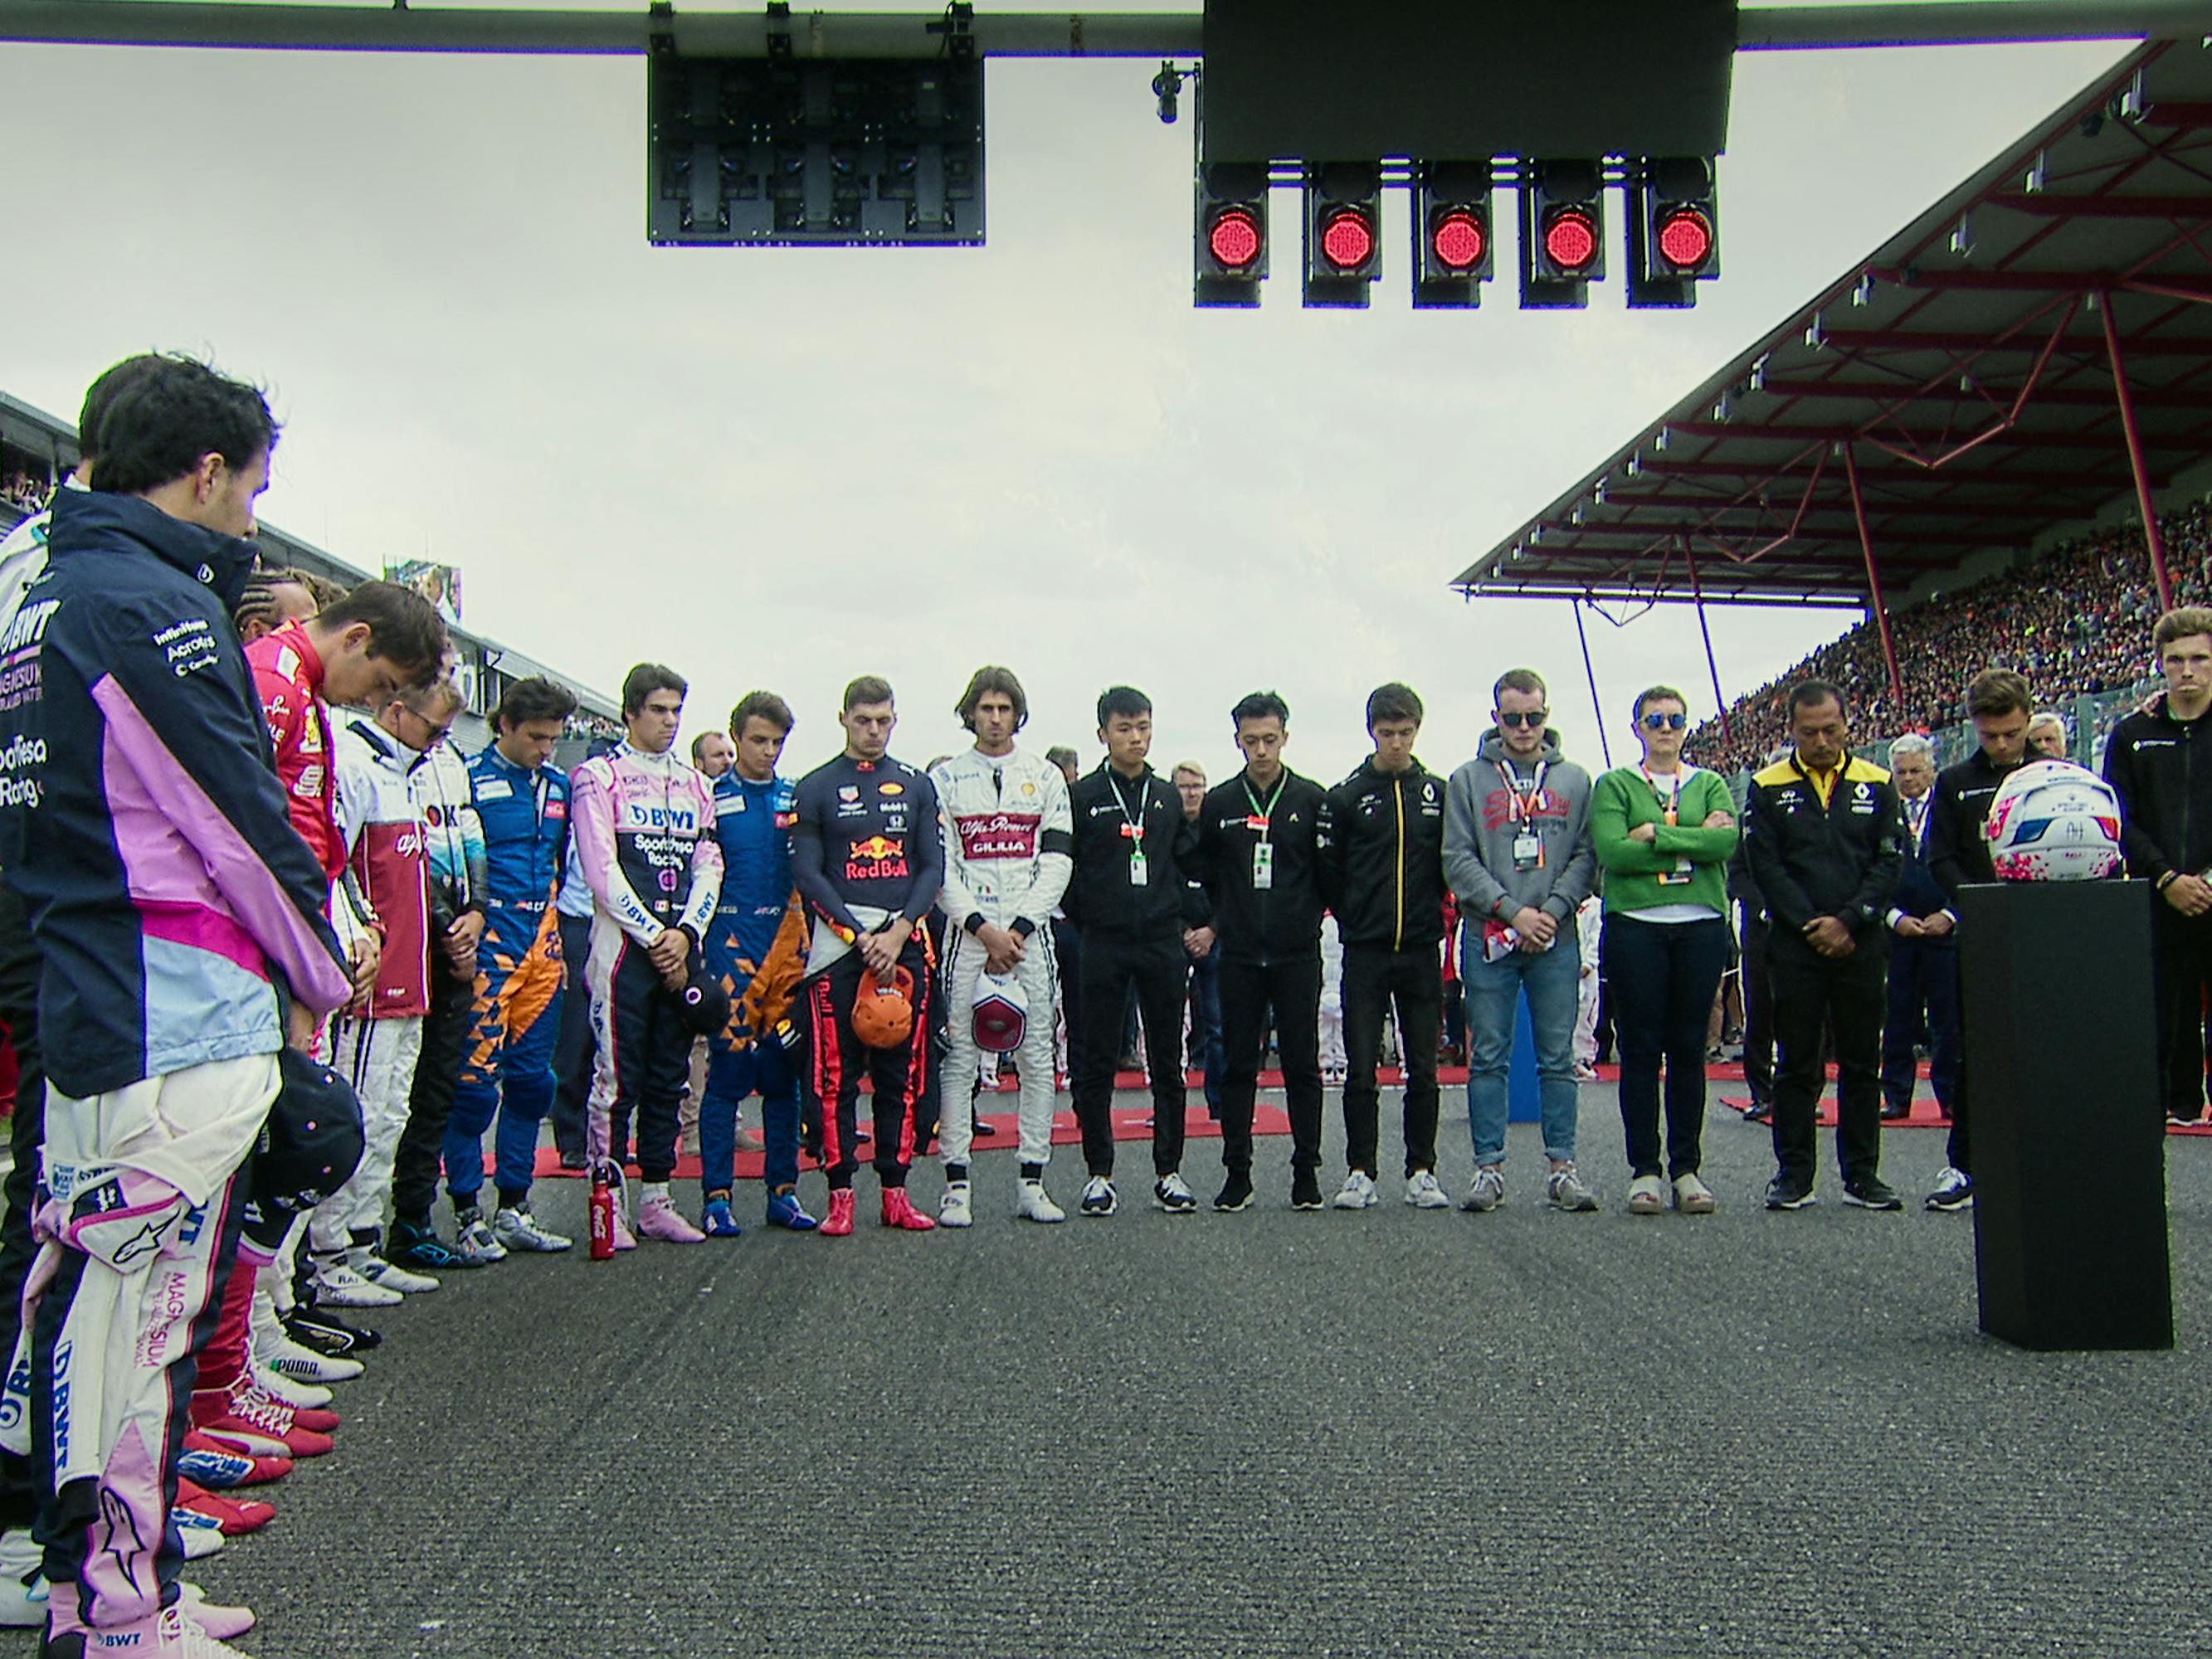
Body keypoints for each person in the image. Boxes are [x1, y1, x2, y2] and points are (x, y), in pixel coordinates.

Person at [0, 355, 355, 1653]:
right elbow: (234, 818)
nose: (252, 522)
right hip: (173, 1013)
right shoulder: (147, 604)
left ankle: (88, 1585)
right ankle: (112, 1612)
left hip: (87, 1001)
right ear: (204, 472)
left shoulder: (39, 601)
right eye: (251, 490)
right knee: (135, 1326)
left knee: (84, 1304)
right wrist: (320, 970)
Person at [307, 678, 462, 1308]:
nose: (438, 742)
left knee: (392, 1114)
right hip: (371, 985)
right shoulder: (353, 763)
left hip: (414, 979)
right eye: (433, 728)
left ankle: (365, 1241)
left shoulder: (412, 773)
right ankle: (326, 1250)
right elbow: (329, 867)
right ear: (397, 710)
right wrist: (355, 946)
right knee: (359, 1114)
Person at [571, 664, 724, 1246]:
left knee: (672, 1076)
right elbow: (600, 869)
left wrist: (684, 932)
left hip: (682, 949)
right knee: (616, 1079)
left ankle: (658, 1197)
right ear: (630, 713)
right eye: (658, 710)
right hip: (622, 951)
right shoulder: (597, 776)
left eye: (676, 711)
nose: (668, 721)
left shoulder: (696, 783)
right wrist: (653, 934)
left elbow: (709, 864)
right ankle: (607, 1200)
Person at [1744, 679, 1908, 1212]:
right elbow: (1764, 865)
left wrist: (1849, 920)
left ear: (1847, 724)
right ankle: (1794, 1175)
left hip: (1860, 939)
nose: (1821, 740)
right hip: (1796, 944)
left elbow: (1889, 860)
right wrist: (1810, 923)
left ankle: (1862, 1175)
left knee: (1862, 1061)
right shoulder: (1766, 785)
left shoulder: (1878, 781)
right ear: (1791, 729)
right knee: (1797, 1062)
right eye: (1809, 731)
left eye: (1831, 730)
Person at [791, 676, 943, 1236]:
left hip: (904, 942)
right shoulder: (814, 787)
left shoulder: (917, 785)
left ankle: (896, 1193)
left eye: (883, 720)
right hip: (840, 948)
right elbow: (807, 873)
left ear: (895, 720)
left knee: (902, 1077)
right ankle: (839, 1196)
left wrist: (901, 930)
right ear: (843, 720)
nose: (874, 730)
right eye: (863, 721)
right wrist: (859, 937)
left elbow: (931, 867)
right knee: (834, 1078)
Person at [1442, 669, 1600, 1214]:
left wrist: (1550, 913)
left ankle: (1563, 1168)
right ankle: (1489, 1168)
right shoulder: (1467, 779)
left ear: (1547, 715)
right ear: (1496, 719)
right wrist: (1512, 912)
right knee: (1488, 1056)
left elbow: (1586, 854)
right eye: (1513, 718)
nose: (1525, 727)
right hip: (1490, 935)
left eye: (1534, 716)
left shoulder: (1576, 779)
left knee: (1559, 1056)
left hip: (1554, 936)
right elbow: (1457, 859)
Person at [928, 669, 1074, 1228]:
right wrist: (982, 928)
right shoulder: (946, 779)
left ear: (1018, 713)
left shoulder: (1045, 776)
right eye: (985, 708)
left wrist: (1017, 927)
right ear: (970, 713)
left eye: (1004, 708)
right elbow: (940, 865)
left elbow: (1058, 860)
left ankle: (1032, 1180)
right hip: (968, 935)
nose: (994, 718)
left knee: (1037, 1057)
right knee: (962, 1057)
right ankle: (956, 1185)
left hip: (1030, 936)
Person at [442, 675, 581, 1256]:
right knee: (473, 1087)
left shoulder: (559, 785)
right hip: (487, 947)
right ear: (504, 725)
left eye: (554, 738)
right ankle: (467, 1210)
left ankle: (515, 1207)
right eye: (536, 737)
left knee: (532, 1084)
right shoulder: (467, 778)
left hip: (541, 951)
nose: (546, 749)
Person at [1589, 685, 1740, 1216]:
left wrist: (1659, 832)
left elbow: (1726, 844)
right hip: (1636, 923)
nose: (1667, 728)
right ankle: (1644, 1170)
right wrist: (1696, 835)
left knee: (1688, 1045)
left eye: (1676, 719)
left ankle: (1686, 1168)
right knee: (1640, 1046)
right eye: (1655, 720)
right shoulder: (1616, 783)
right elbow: (1612, 852)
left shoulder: (1710, 782)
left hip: (1700, 920)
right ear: (1638, 728)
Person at [1064, 688, 1211, 1216]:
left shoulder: (1167, 796)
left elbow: (1185, 864)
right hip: (1102, 941)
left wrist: (1186, 917)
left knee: (1167, 1060)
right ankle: (1098, 1172)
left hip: (1159, 943)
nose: (1136, 738)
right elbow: (1066, 871)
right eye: (1124, 728)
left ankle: (1169, 1170)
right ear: (1103, 732)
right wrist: (1092, 916)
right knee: (1098, 1060)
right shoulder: (1082, 796)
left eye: (1144, 727)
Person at [1318, 683, 1449, 1210]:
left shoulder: (1437, 793)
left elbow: (1449, 862)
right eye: (1387, 732)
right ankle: (1360, 1170)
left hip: (1420, 947)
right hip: (1367, 950)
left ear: (1418, 729)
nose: (1396, 742)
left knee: (1424, 1064)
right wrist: (1357, 916)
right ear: (1372, 731)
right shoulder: (1346, 795)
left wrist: (1429, 913)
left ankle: (1422, 1168)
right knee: (1361, 1065)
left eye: (1405, 732)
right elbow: (1329, 873)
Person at [1195, 692, 1328, 1212]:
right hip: (1242, 954)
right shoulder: (1222, 803)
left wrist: (1307, 918)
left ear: (1285, 737)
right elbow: (1205, 871)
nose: (1261, 750)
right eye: (1250, 741)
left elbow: (1325, 875)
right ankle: (1237, 1173)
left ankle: (1306, 1172)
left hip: (1297, 952)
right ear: (1237, 742)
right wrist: (1217, 922)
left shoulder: (1311, 799)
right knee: (1237, 1065)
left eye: (1270, 740)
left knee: (1302, 1064)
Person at [698, 692, 816, 1234]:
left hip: (788, 949)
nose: (768, 751)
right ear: (736, 737)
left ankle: (783, 1193)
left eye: (777, 742)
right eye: (758, 740)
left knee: (781, 1074)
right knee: (727, 1073)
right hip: (729, 944)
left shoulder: (798, 796)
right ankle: (716, 1197)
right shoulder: (710, 796)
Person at [383, 690, 490, 1275]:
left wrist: (475, 914)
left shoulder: (451, 762)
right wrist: (449, 925)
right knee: (392, 1094)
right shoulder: (375, 758)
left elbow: (471, 842)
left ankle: (413, 1220)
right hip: (410, 944)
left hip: (458, 940)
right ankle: (350, 1236)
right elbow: (406, 857)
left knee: (437, 1091)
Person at [1922, 669, 2035, 1209]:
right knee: (1972, 1050)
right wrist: (1977, 898)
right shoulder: (1955, 781)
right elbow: (1937, 856)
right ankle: (1963, 1165)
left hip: (2047, 932)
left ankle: (2049, 1159)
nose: (2002, 744)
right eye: (1990, 735)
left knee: (2046, 1049)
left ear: (2028, 721)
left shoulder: (2056, 775)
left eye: (2011, 733)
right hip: (1983, 932)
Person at [2106, 607, 2212, 1127]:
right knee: (2164, 1012)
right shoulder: (2130, 734)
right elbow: (2119, 817)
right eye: (2176, 660)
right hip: (2157, 895)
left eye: (2199, 658)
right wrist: (2166, 878)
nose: (2187, 670)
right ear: (2160, 665)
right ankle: (2175, 1107)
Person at [1881, 734, 1961, 1128]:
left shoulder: (1947, 809)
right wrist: (1893, 916)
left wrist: (1951, 913)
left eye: (1916, 770)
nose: (1909, 779)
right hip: (1900, 930)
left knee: (1948, 1018)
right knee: (1898, 1016)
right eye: (1902, 772)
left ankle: (1950, 1095)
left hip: (1943, 928)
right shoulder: (1882, 810)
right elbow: (1871, 869)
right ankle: (1896, 1095)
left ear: (1932, 769)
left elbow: (1966, 863)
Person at [1172, 761, 1225, 1117]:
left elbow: (1232, 883)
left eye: (1198, 785)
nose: (1192, 793)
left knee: (1218, 1025)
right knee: (1168, 1026)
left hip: (1215, 933)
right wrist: (1183, 931)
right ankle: (1170, 1105)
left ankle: (1221, 1104)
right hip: (1172, 933)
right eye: (1184, 786)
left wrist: (1212, 929)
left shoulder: (1218, 830)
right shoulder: (1164, 831)